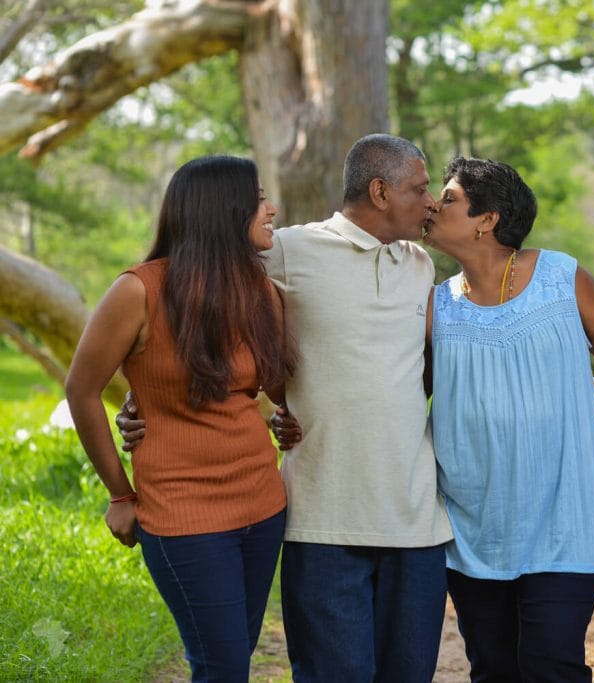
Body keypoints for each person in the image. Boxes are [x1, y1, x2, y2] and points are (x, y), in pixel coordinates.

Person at [119, 134, 454, 683]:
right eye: (419, 189)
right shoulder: (287, 250)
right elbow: (186, 300)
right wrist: (146, 396)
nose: (432, 202)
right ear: (380, 191)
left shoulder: (419, 264)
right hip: (321, 516)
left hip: (415, 518)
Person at [65, 155, 296, 681]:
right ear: (223, 209)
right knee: (223, 666)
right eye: (259, 198)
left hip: (262, 508)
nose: (272, 208)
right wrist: (120, 495)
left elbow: (276, 389)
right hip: (182, 516)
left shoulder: (260, 290)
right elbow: (81, 390)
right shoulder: (137, 291)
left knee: (235, 655)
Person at [421, 156, 594, 682]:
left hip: (569, 517)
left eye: (448, 197)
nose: (433, 204)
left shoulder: (561, 277)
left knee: (550, 666)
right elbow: (409, 395)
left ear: (487, 218)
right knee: (494, 668)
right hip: (475, 526)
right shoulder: (434, 304)